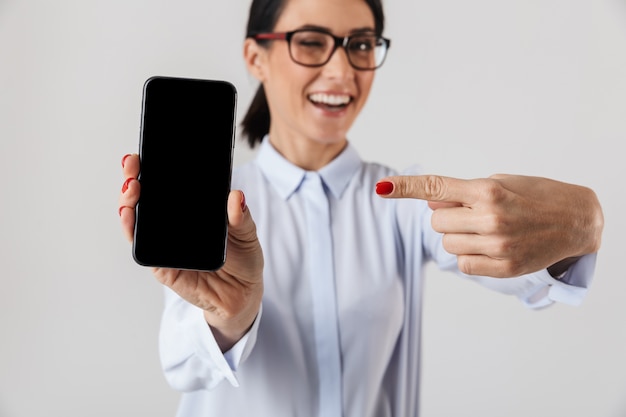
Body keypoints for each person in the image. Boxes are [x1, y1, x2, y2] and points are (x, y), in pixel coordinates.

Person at [118, 0, 604, 415]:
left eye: (362, 44)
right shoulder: (217, 204)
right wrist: (229, 316)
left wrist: (577, 228)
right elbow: (183, 363)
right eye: (310, 41)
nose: (342, 71)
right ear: (256, 56)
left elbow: (522, 271)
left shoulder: (403, 202)